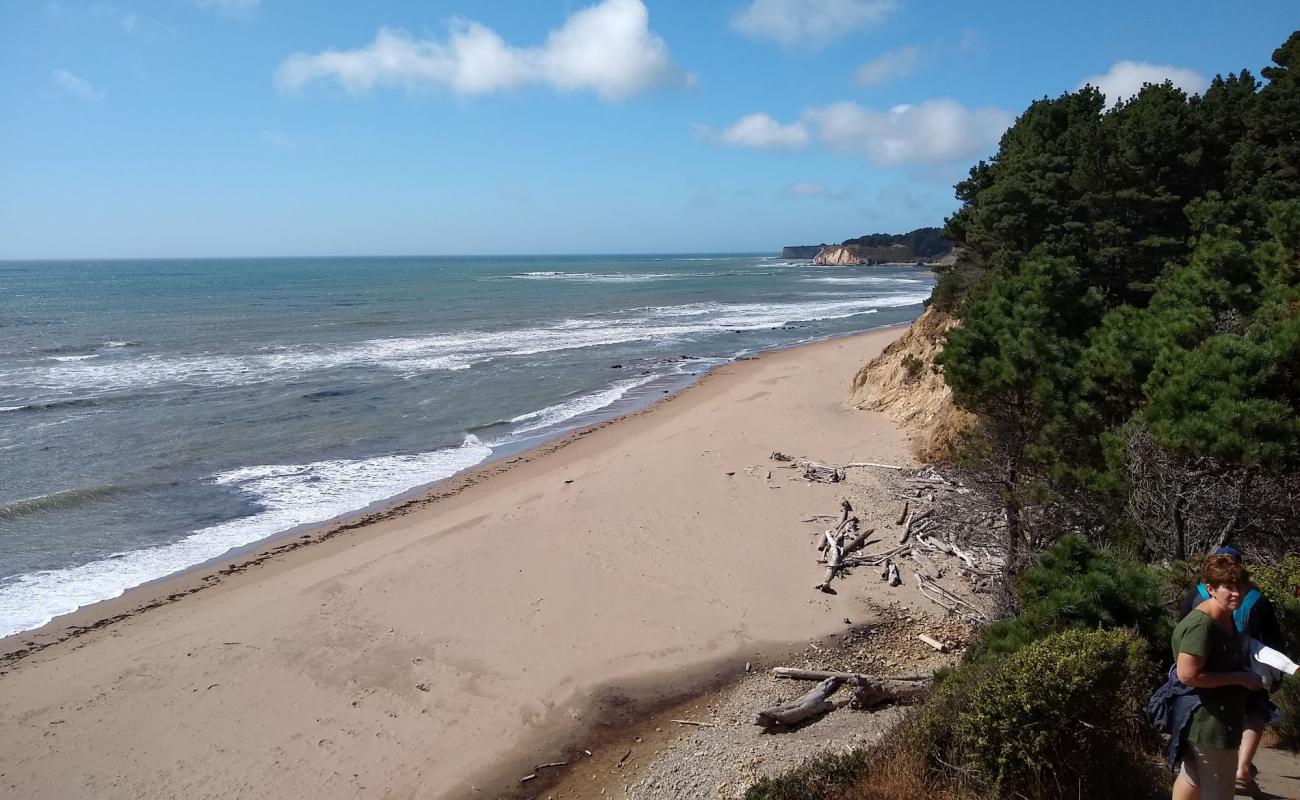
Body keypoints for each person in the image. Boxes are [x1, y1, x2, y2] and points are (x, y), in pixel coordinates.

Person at [1179, 546, 1284, 796]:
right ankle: (1243, 767)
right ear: (1212, 587)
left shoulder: (1207, 605)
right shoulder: (1204, 624)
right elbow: (1187, 673)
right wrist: (1244, 677)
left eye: (1240, 585)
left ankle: (1242, 767)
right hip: (1211, 719)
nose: (1236, 593)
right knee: (1219, 789)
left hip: (1213, 713)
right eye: (1229, 586)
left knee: (1192, 776)